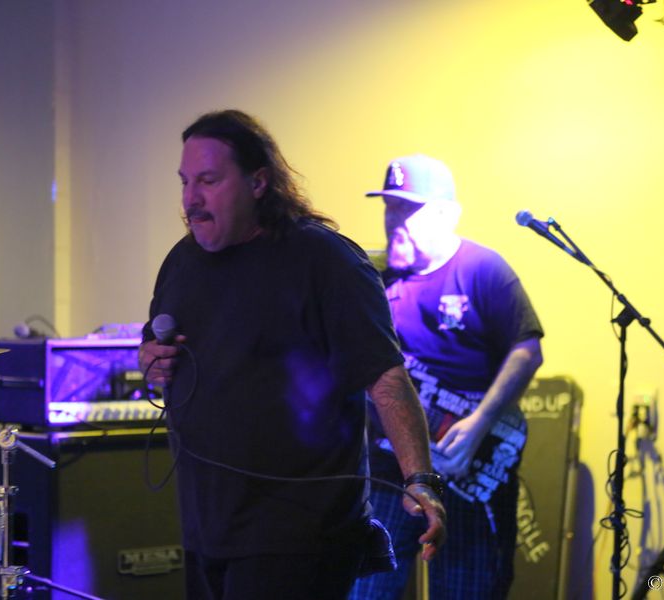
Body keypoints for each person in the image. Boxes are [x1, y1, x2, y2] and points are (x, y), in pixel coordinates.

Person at [138, 111, 447, 600]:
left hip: (300, 533)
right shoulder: (182, 261)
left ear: (259, 182)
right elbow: (153, 351)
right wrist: (151, 362)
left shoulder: (325, 260)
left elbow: (385, 377)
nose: (191, 198)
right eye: (185, 181)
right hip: (207, 526)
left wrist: (420, 478)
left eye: (209, 181)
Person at [350, 155, 544, 599]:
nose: (393, 220)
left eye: (407, 209)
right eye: (389, 207)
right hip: (389, 469)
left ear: (444, 214)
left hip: (468, 461)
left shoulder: (482, 269)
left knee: (467, 589)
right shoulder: (373, 277)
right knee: (366, 588)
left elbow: (527, 351)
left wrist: (477, 425)